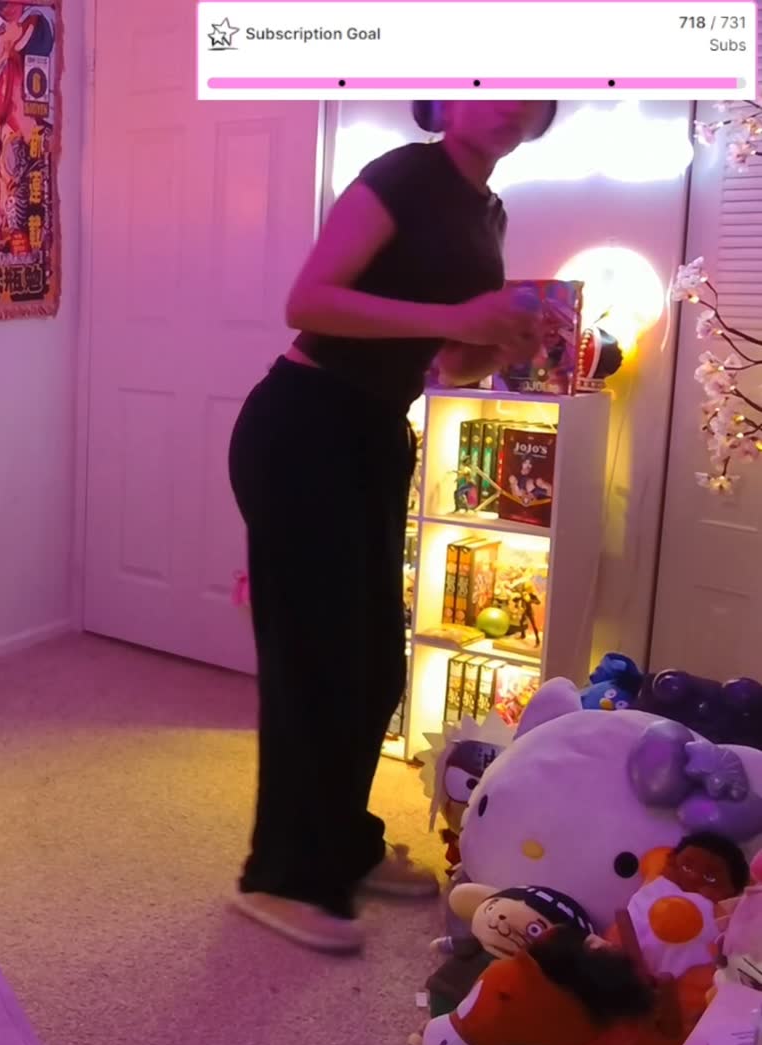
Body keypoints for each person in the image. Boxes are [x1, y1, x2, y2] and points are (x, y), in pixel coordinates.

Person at [226, 100, 554, 954]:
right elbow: (310, 300)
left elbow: (447, 360)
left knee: (374, 666)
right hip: (305, 424)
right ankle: (279, 877)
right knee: (314, 664)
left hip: (374, 433)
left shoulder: (487, 212)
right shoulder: (405, 174)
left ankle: (343, 845)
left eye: (532, 92)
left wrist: (501, 344)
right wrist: (455, 317)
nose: (512, 103)